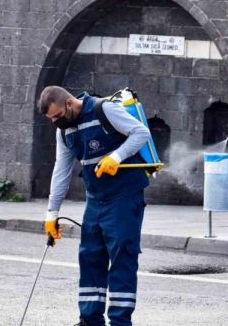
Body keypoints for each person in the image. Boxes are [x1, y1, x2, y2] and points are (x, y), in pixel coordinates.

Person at [38, 86, 151, 326]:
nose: (55, 123)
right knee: (90, 257)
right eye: (51, 119)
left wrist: (116, 157)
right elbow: (61, 171)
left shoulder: (103, 109)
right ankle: (89, 320)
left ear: (69, 104)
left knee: (122, 257)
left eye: (57, 116)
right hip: (95, 199)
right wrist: (52, 212)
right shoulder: (64, 131)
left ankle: (120, 322)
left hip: (124, 196)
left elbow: (140, 133)